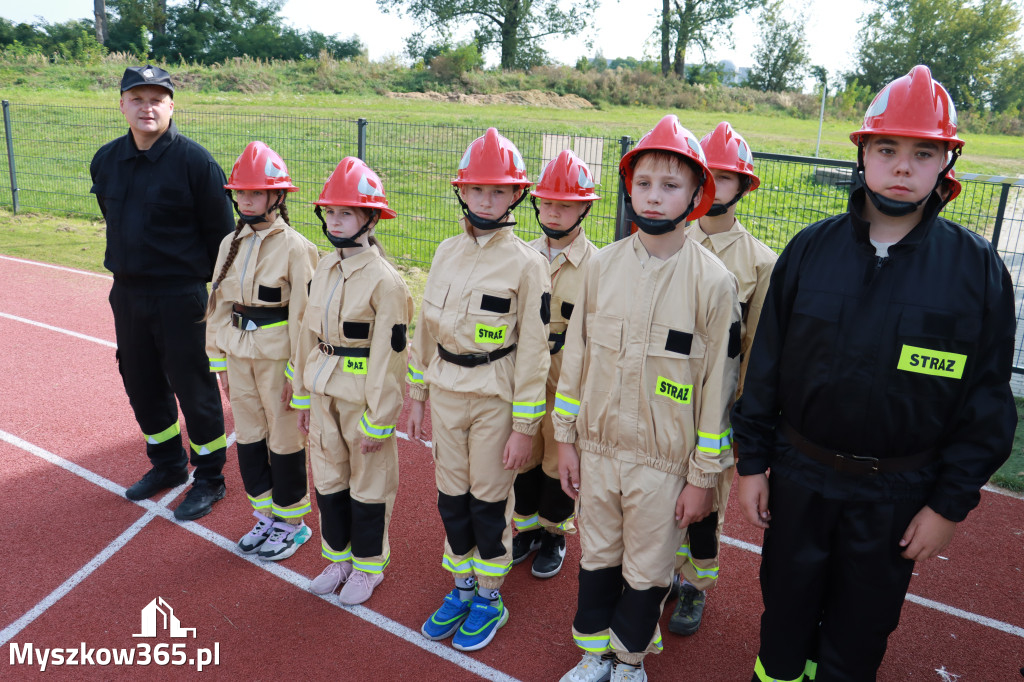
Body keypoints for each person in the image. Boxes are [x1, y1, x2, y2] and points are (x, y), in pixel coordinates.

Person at [732, 65, 1016, 682]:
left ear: (946, 162)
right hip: (801, 480)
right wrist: (752, 463)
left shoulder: (978, 272)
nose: (903, 166)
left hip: (897, 495)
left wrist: (948, 505)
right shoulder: (809, 250)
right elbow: (767, 365)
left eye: (923, 152)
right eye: (887, 149)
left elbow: (988, 405)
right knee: (783, 622)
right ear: (863, 153)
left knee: (858, 637)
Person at [554, 114, 741, 682]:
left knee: (649, 567)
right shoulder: (601, 267)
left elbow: (718, 392)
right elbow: (576, 362)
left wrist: (703, 477)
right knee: (597, 557)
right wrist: (566, 441)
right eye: (643, 184)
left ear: (695, 195)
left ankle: (630, 660)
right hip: (600, 451)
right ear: (628, 188)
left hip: (665, 466)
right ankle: (594, 656)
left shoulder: (713, 283)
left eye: (671, 185)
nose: (654, 197)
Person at [406, 128, 551, 651]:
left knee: (489, 502)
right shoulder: (445, 251)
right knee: (452, 497)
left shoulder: (529, 265)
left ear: (517, 195)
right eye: (476, 190)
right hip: (445, 389)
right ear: (461, 192)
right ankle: (461, 585)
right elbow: (425, 329)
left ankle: (490, 596)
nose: (486, 200)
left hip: (494, 396)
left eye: (498, 191)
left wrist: (524, 428)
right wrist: (417, 396)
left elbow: (535, 352)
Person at [90, 65, 234, 520]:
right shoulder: (106, 159)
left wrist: (214, 301)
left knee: (194, 388)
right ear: (122, 105)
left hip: (181, 296)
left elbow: (222, 238)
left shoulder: (196, 163)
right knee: (141, 382)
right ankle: (167, 465)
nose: (146, 107)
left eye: (156, 99)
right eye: (137, 99)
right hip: (128, 294)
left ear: (172, 106)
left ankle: (209, 477)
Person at [669, 122, 777, 636]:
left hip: (718, 408)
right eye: (704, 174)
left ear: (743, 187)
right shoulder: (667, 241)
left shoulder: (761, 263)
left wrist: (741, 414)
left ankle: (695, 584)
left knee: (706, 504)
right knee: (661, 492)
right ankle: (663, 571)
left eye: (725, 177)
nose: (713, 183)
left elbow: (756, 349)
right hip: (663, 401)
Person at [291, 157, 413, 605]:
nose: (335, 221)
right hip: (323, 391)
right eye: (330, 212)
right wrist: (303, 397)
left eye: (346, 213)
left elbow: (390, 358)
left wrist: (380, 420)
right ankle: (339, 558)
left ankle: (368, 566)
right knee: (328, 479)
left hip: (362, 400)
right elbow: (308, 333)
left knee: (369, 486)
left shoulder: (385, 282)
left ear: (370, 218)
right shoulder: (323, 267)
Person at [205, 141, 319, 560]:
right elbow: (218, 305)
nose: (247, 199)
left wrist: (297, 373)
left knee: (285, 439)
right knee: (250, 437)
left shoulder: (296, 247)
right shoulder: (229, 243)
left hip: (277, 360)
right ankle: (266, 514)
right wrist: (219, 361)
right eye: (240, 192)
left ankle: (292, 521)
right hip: (238, 356)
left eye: (256, 192)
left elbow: (305, 318)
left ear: (277, 196)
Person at [512, 149, 601, 579]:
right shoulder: (521, 256)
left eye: (565, 205)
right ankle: (525, 526)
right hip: (523, 377)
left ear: (584, 207)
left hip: (567, 381)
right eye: (547, 202)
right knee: (523, 453)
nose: (553, 212)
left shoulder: (598, 267)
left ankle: (553, 533)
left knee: (557, 461)